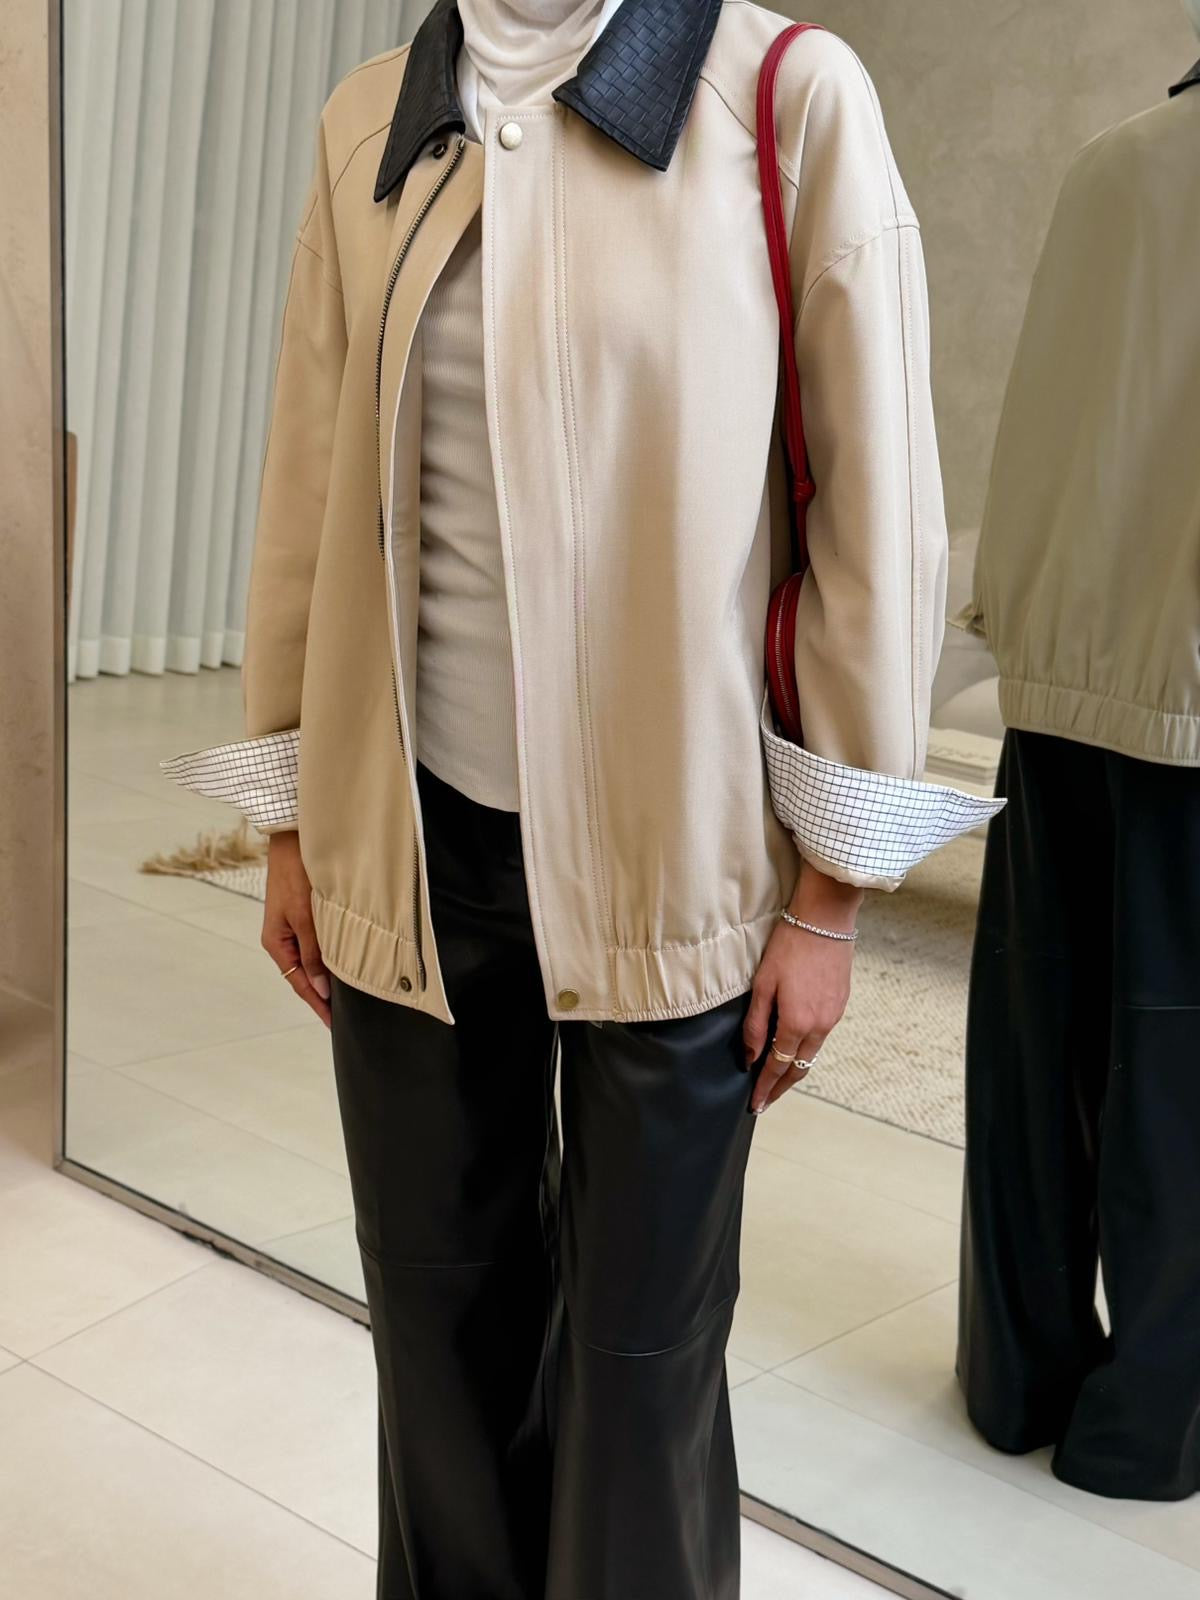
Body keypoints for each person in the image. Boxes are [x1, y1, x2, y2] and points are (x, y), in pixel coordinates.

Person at [164, 1, 995, 1593]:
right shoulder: (371, 121)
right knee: (439, 1332)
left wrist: (830, 893)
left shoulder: (781, 96)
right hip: (413, 843)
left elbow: (874, 516)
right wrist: (293, 820)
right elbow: (308, 490)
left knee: (640, 1367)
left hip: (673, 861)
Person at [956, 22, 1200, 1503]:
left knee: (1035, 1054)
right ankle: (1146, 1430)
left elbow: (1043, 424)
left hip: (1054, 683)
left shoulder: (1108, 168)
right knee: (1175, 1076)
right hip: (1190, 701)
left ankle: (1015, 1381)